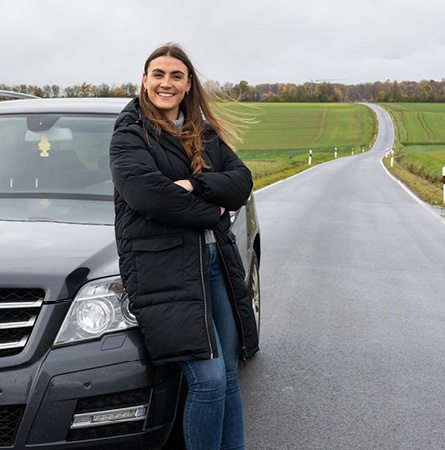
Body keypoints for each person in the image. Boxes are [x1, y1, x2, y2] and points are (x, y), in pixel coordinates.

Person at [110, 43, 258, 450]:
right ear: (144, 80)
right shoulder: (130, 132)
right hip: (165, 270)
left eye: (176, 76)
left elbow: (242, 181)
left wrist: (195, 184)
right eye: (158, 74)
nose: (166, 83)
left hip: (214, 262)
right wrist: (214, 210)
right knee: (208, 380)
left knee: (228, 374)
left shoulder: (202, 132)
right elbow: (150, 196)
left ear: (188, 83)